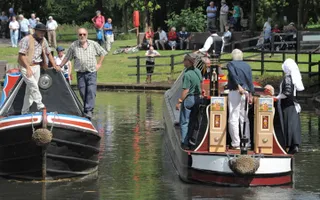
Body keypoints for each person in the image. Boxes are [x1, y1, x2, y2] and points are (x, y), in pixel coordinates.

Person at [57, 28, 107, 120]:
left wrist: (99, 63)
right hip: (80, 73)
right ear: (78, 35)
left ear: (87, 35)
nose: (82, 36)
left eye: (84, 34)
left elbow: (103, 52)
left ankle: (89, 110)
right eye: (80, 34)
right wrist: (60, 66)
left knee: (91, 91)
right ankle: (86, 110)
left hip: (91, 72)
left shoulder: (93, 44)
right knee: (83, 92)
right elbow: (67, 57)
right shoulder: (74, 45)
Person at [18, 23, 60, 114]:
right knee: (33, 85)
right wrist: (28, 68)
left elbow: (48, 53)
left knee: (29, 91)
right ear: (35, 31)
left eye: (44, 32)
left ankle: (24, 112)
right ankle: (40, 104)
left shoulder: (43, 40)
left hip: (37, 66)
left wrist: (54, 65)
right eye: (41, 32)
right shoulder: (27, 39)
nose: (42, 33)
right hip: (26, 66)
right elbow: (21, 55)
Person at [226, 49, 254, 149]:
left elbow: (233, 75)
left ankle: (236, 143)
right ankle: (247, 142)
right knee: (244, 118)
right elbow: (250, 80)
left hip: (235, 91)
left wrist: (238, 86)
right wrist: (251, 93)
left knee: (233, 117)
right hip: (246, 92)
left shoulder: (230, 64)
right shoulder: (247, 66)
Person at [276, 58, 304, 154]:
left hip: (287, 105)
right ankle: (294, 145)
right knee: (293, 125)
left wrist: (276, 97)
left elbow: (286, 92)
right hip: (293, 104)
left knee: (288, 124)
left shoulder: (287, 78)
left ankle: (287, 145)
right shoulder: (293, 77)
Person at [176, 53, 203, 150]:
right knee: (192, 120)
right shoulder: (198, 72)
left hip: (189, 99)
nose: (183, 61)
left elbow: (186, 90)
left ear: (188, 61)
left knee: (184, 121)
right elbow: (201, 84)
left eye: (185, 60)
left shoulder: (187, 74)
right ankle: (191, 139)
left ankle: (184, 142)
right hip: (197, 98)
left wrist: (179, 101)